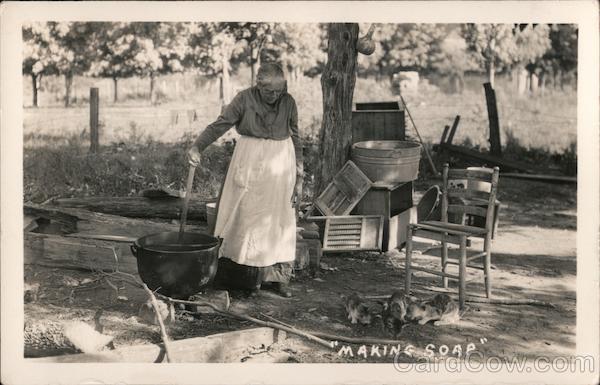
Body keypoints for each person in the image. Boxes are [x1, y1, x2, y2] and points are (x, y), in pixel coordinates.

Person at [187, 63, 303, 298]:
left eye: (279, 91)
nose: (275, 96)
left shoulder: (288, 102)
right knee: (242, 218)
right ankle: (237, 278)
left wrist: (299, 176)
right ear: (258, 86)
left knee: (280, 219)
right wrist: (197, 146)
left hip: (281, 164)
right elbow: (220, 125)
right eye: (269, 91)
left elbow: (297, 136)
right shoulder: (244, 99)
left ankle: (279, 277)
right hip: (249, 161)